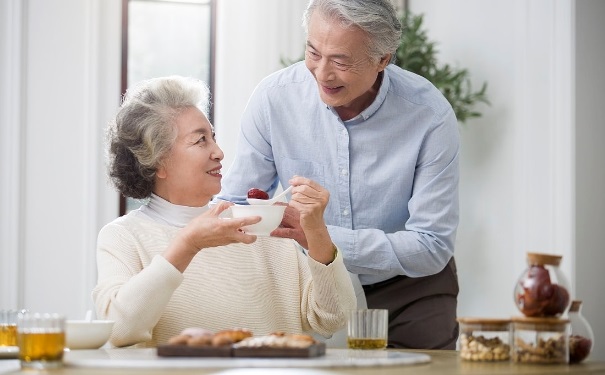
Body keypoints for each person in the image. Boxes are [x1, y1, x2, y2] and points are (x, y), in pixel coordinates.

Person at [218, 0, 460, 349]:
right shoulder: (274, 98)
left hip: (409, 290)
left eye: (341, 61)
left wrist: (319, 237)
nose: (321, 73)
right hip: (309, 285)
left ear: (383, 59)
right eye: (313, 52)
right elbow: (238, 201)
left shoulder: (429, 115)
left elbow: (431, 244)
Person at [92, 75, 356, 348]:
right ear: (158, 161)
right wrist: (187, 244)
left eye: (213, 138)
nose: (219, 152)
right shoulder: (123, 237)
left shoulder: (259, 223)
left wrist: (317, 238)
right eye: (200, 141)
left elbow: (333, 319)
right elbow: (118, 331)